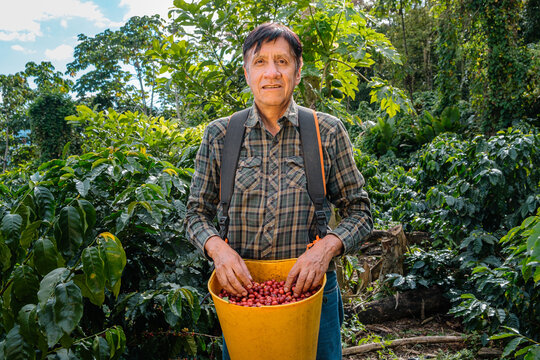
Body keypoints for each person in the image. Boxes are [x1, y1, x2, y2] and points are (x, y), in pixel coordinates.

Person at [185, 22, 373, 360]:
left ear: (298, 71)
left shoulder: (326, 132)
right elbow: (196, 214)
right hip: (243, 297)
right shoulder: (220, 136)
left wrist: (325, 250)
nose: (271, 73)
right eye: (260, 62)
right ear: (246, 72)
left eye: (282, 62)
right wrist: (218, 251)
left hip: (313, 293)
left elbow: (360, 211)